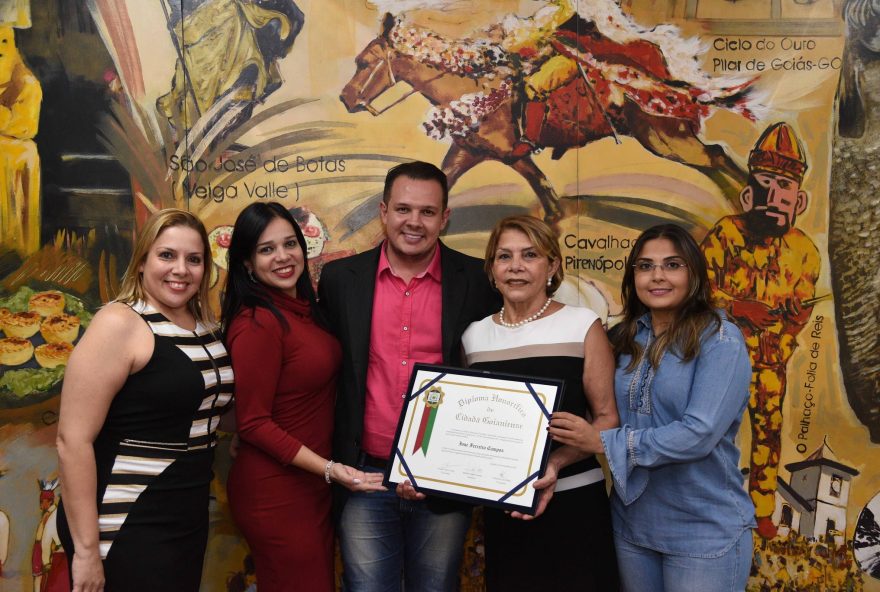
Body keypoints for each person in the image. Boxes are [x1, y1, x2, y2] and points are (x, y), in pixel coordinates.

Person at [318, 161, 498, 591]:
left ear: (445, 217)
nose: (413, 222)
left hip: (444, 478)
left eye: (427, 212)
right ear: (383, 212)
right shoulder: (341, 279)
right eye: (402, 209)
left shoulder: (476, 280)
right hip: (364, 474)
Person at [557, 224, 754, 591]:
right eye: (645, 266)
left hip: (702, 529)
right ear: (633, 276)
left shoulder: (720, 339)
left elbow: (698, 434)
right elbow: (594, 407)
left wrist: (605, 442)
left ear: (693, 273)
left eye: (672, 265)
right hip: (632, 525)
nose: (657, 276)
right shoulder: (625, 336)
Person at [55, 209, 234, 591]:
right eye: (166, 255)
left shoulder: (203, 325)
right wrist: (87, 551)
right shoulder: (120, 323)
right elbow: (73, 441)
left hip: (185, 513)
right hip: (126, 516)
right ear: (141, 262)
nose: (181, 270)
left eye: (194, 259)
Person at [221, 202, 384, 591]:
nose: (282, 257)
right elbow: (254, 422)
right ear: (246, 262)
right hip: (276, 493)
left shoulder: (302, 310)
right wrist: (330, 469)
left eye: (289, 244)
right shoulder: (258, 322)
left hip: (309, 487)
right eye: (266, 249)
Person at [460, 215, 619, 591]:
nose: (516, 266)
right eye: (504, 256)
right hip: (506, 510)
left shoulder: (582, 325)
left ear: (552, 265)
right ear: (492, 269)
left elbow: (608, 420)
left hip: (575, 503)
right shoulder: (473, 337)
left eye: (530, 255)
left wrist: (556, 463)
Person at [700, 122, 820, 539]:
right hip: (717, 363)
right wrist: (737, 308)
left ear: (798, 200)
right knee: (712, 433)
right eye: (765, 184)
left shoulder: (805, 251)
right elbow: (695, 291)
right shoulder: (726, 234)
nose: (773, 195)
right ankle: (711, 504)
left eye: (784, 186)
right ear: (748, 194)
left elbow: (802, 311)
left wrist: (793, 311)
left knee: (767, 434)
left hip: (771, 362)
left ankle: (762, 510)